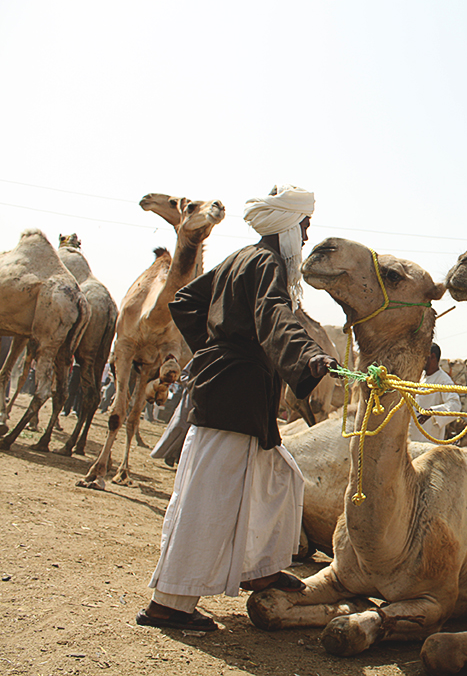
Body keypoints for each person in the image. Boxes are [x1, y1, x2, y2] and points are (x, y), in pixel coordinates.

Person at [136, 184, 339, 632]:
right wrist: (309, 358)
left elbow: (186, 301)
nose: (306, 238)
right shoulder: (265, 263)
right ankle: (168, 605)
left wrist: (212, 348)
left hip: (237, 390)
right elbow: (273, 313)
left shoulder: (239, 258)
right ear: (287, 226)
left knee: (279, 477)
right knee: (208, 498)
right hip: (234, 393)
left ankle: (260, 569)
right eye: (304, 227)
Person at [408, 343, 462, 442]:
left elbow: (455, 406)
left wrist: (432, 412)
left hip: (428, 440)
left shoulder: (443, 381)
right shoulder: (420, 377)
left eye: (423, 356)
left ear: (432, 357)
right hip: (412, 437)